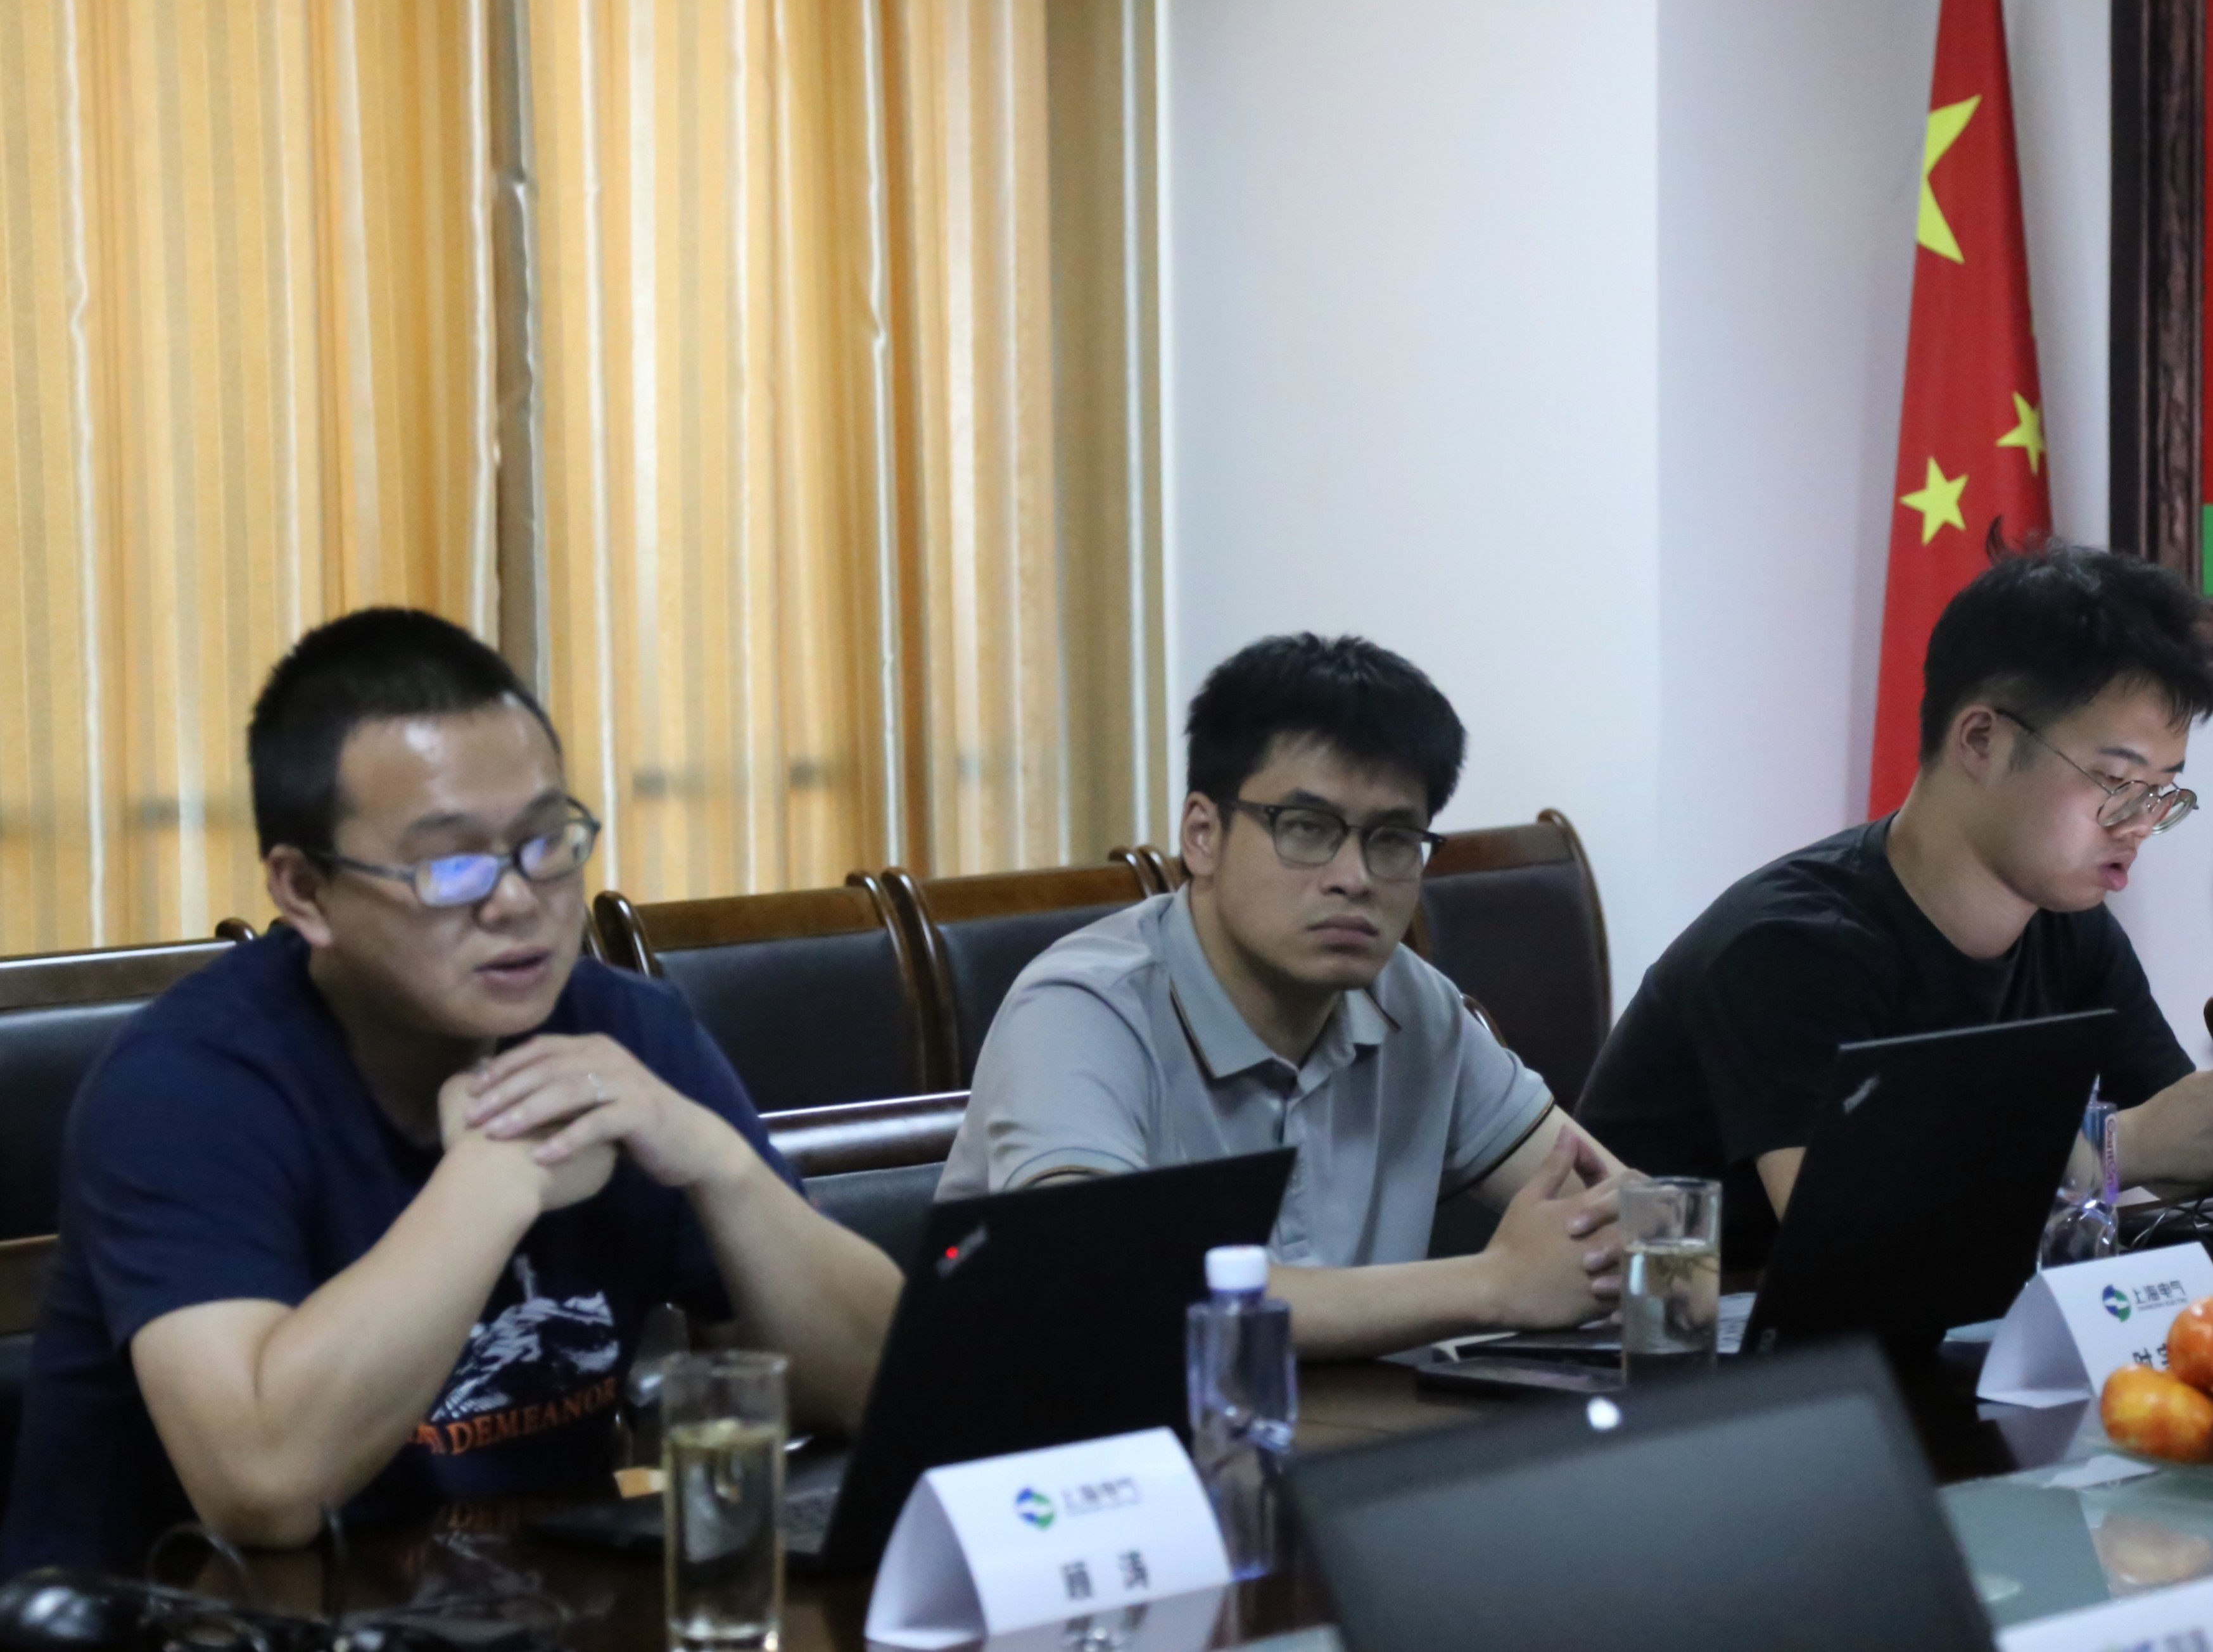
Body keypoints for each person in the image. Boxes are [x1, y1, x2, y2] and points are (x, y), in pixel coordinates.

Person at [1, 610, 903, 1573]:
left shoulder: (624, 1035)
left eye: (545, 841)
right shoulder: (184, 1089)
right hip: (202, 1622)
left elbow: (886, 1391)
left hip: (537, 1609)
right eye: (450, 864)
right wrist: (489, 1185)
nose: (516, 899)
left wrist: (722, 1168)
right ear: (304, 890)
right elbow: (262, 1488)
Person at [937, 634, 1628, 1359]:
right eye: (1306, 828)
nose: (1353, 877)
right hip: (1090, 1428)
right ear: (1202, 835)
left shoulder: (1411, 1004)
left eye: (1392, 838)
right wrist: (1490, 1285)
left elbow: (1626, 1214)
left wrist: (1659, 1250)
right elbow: (1103, 1285)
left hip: (1348, 1425)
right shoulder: (1080, 1008)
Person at [1579, 545, 2213, 1269]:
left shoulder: (2071, 930)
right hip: (1681, 1328)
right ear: (1979, 739)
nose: (2138, 824)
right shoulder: (1789, 946)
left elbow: (2180, 1146)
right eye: (2114, 781)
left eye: (2161, 793)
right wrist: (2113, 1150)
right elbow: (1853, 1235)